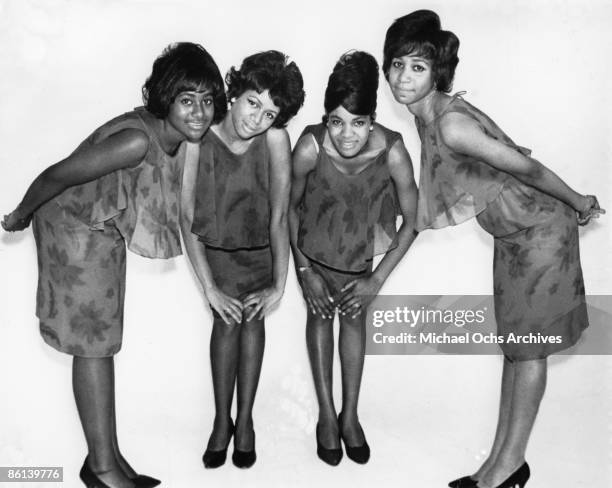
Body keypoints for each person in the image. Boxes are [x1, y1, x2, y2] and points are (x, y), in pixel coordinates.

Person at [383, 10, 604, 488]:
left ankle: (507, 470)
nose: (403, 77)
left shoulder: (449, 125)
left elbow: (528, 169)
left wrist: (579, 201)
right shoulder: (430, 115)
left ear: (436, 73)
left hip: (542, 234)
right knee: (517, 348)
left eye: (417, 67)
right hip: (514, 241)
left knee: (529, 351)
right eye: (397, 64)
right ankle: (500, 463)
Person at [2, 42, 226, 488]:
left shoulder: (177, 137)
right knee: (94, 346)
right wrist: (20, 214)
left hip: (100, 229)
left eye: (206, 100)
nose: (200, 112)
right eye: (187, 100)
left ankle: (107, 458)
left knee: (104, 342)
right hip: (72, 228)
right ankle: (102, 469)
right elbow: (59, 174)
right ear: (166, 99)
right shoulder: (137, 139)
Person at [288, 51, 418, 465]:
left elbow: (412, 222)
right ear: (325, 118)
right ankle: (326, 415)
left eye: (358, 123)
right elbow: (288, 210)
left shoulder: (393, 151)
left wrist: (376, 281)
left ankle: (350, 416)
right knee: (320, 316)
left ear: (373, 118)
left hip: (359, 259)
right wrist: (304, 271)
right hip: (315, 255)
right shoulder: (309, 147)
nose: (347, 135)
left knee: (354, 320)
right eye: (336, 121)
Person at [180, 50, 305, 469]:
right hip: (215, 253)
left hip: (260, 252)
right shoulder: (200, 137)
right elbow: (186, 218)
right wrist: (210, 289)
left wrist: (279, 284)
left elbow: (279, 214)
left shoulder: (275, 141)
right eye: (253, 102)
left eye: (270, 114)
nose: (257, 119)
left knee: (253, 319)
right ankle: (221, 421)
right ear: (234, 93)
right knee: (225, 321)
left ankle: (246, 421)